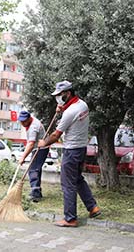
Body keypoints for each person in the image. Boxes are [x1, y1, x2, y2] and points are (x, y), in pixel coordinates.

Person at [38, 80, 101, 227]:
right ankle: (93, 207)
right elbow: (72, 119)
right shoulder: (82, 105)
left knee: (68, 184)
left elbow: (55, 135)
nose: (57, 98)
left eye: (60, 95)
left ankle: (70, 218)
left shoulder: (70, 112)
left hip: (71, 151)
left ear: (67, 93)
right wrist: (61, 111)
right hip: (81, 149)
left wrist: (43, 143)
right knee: (78, 179)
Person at [18, 110, 49, 202]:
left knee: (33, 169)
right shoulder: (30, 122)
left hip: (41, 149)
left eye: (24, 121)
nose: (23, 123)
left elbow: (31, 144)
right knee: (36, 169)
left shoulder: (33, 127)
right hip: (39, 147)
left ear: (29, 119)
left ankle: (35, 193)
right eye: (21, 121)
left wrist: (22, 157)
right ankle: (37, 190)